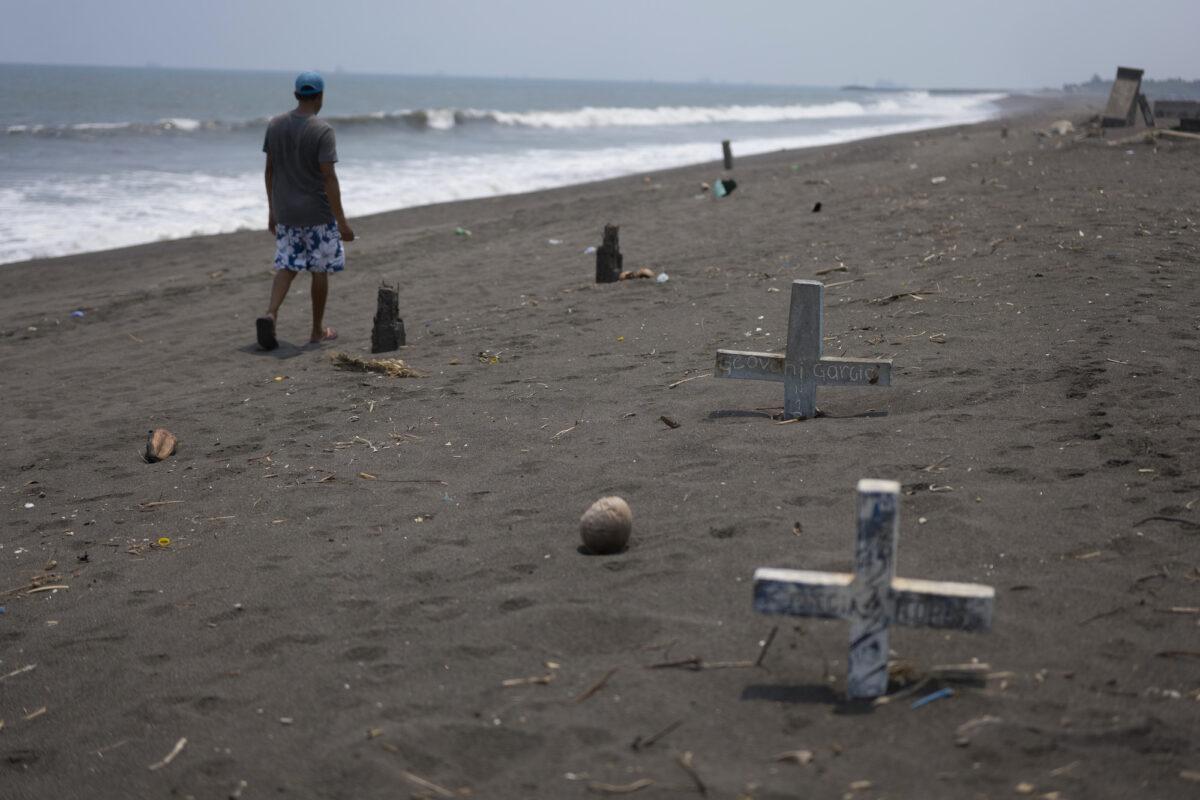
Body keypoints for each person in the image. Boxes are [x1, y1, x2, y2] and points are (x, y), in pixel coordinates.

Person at [256, 71, 354, 350]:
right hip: (317, 214)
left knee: (287, 265)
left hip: (286, 211)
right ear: (320, 96)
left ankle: (270, 313)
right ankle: (316, 330)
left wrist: (272, 210)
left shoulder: (275, 125)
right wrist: (342, 222)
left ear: (296, 94)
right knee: (319, 269)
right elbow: (328, 177)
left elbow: (270, 171)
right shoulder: (322, 130)